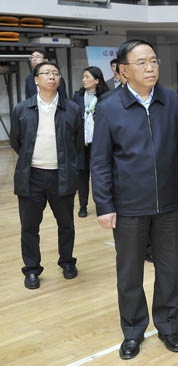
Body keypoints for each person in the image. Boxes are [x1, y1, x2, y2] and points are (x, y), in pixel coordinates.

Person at [91, 40, 178, 360]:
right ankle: (133, 330)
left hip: (169, 203)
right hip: (128, 206)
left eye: (153, 61)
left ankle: (168, 325)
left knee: (169, 269)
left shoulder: (172, 101)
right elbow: (100, 161)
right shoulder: (109, 106)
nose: (150, 67)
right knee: (129, 273)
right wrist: (104, 205)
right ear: (124, 70)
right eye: (142, 63)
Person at [10, 61, 83, 289]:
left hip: (62, 175)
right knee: (29, 227)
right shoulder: (22, 109)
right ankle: (32, 269)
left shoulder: (72, 109)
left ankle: (67, 261)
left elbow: (78, 143)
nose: (51, 77)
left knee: (66, 224)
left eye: (55, 73)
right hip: (31, 176)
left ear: (60, 79)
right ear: (36, 80)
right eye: (46, 73)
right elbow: (16, 141)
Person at [71, 66, 109, 218]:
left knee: (99, 176)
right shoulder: (78, 97)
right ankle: (83, 206)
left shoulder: (106, 97)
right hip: (82, 143)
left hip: (99, 143)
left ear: (97, 80)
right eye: (83, 77)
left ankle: (102, 205)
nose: (84, 80)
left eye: (87, 77)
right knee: (82, 175)